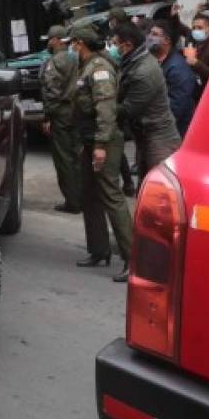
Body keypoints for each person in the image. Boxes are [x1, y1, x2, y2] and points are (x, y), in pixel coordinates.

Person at [68, 25, 133, 282]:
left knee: (110, 195)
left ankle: (132, 258)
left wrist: (100, 146)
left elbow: (106, 110)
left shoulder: (100, 69)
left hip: (103, 140)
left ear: (80, 43)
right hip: (89, 138)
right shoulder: (86, 67)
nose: (71, 48)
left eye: (73, 44)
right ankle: (98, 250)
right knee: (89, 195)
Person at [111, 23, 181, 177]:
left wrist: (101, 107)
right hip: (145, 134)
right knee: (146, 187)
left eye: (115, 44)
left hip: (159, 139)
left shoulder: (143, 71)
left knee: (160, 188)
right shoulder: (132, 61)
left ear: (128, 45)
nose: (112, 48)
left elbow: (129, 109)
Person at [40, 25, 81, 213]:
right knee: (77, 157)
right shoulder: (75, 59)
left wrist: (48, 116)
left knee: (64, 159)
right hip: (76, 112)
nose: (48, 43)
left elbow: (51, 92)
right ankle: (82, 197)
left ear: (56, 40)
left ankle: (73, 202)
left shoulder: (54, 62)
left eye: (49, 39)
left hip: (61, 114)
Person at [147, 20, 197, 137]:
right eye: (150, 33)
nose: (149, 37)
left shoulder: (177, 68)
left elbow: (177, 105)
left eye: (154, 34)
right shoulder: (159, 61)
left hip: (178, 131)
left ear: (167, 40)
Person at [182, 12, 209, 89]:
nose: (196, 31)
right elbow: (183, 29)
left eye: (200, 28)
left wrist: (196, 63)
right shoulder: (196, 41)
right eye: (194, 28)